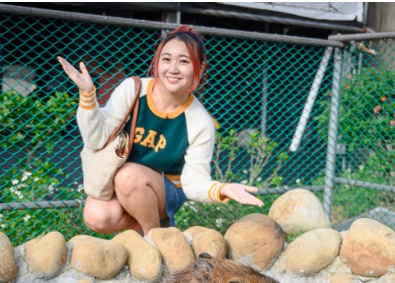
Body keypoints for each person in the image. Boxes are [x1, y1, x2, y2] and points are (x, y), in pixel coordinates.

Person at [58, 26, 263, 236]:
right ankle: (145, 227)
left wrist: (222, 189)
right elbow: (96, 139)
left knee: (128, 176)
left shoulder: (199, 121)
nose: (173, 68)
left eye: (183, 61)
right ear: (157, 63)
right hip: (122, 182)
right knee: (97, 216)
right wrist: (88, 95)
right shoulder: (133, 89)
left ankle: (155, 236)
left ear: (199, 67)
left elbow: (193, 182)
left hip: (166, 191)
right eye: (166, 59)